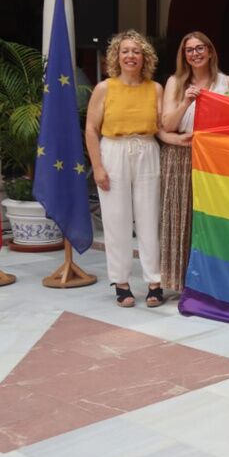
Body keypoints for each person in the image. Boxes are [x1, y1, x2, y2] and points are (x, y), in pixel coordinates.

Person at [84, 30, 169, 308]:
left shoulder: (155, 88)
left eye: (136, 51)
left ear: (145, 57)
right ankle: (121, 282)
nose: (131, 56)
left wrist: (183, 139)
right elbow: (91, 129)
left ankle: (154, 282)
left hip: (147, 149)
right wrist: (97, 166)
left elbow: (162, 128)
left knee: (149, 217)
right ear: (116, 57)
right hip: (113, 151)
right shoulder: (104, 88)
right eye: (125, 51)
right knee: (116, 219)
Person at [159, 32, 229, 293]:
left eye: (200, 48)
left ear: (211, 51)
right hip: (180, 155)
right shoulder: (174, 82)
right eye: (189, 50)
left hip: (213, 159)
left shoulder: (228, 83)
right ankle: (178, 281)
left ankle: (209, 281)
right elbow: (167, 124)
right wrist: (186, 101)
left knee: (209, 219)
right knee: (180, 217)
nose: (195, 53)